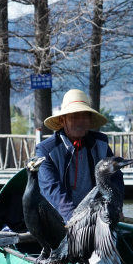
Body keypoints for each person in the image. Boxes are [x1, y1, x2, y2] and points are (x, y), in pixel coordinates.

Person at [35, 88, 124, 222]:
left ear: (89, 121)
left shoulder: (101, 143)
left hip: (96, 214)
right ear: (62, 120)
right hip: (59, 219)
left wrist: (114, 207)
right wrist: (74, 218)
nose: (80, 122)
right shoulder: (46, 150)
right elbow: (52, 190)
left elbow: (115, 179)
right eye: (74, 117)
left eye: (84, 117)